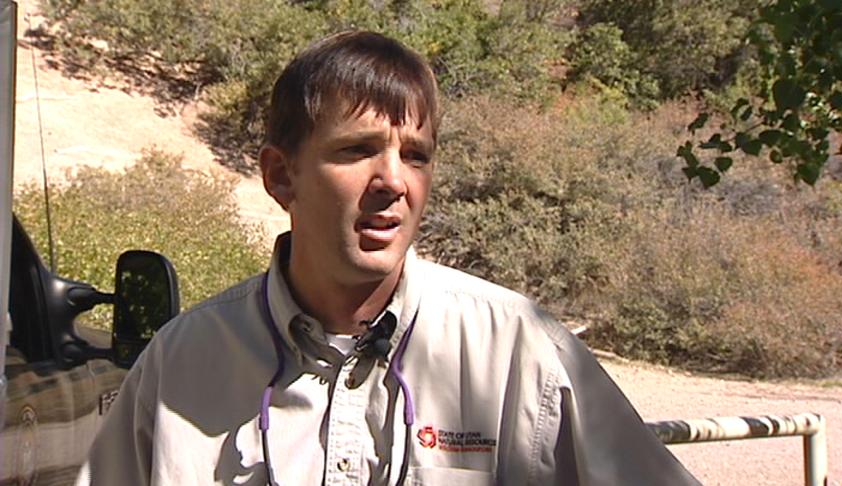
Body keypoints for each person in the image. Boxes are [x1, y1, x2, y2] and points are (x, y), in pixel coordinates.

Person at [78, 31, 699, 486]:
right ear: (281, 176)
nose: (394, 181)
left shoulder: (520, 349)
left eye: (416, 156)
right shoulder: (181, 365)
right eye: (357, 150)